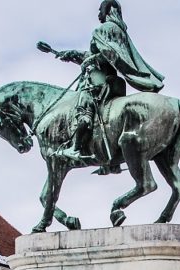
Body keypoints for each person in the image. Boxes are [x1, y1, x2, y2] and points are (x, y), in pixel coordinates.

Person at [45, 0, 165, 164]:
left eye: (100, 9)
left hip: (98, 80)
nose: (98, 13)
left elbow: (109, 56)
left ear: (109, 10)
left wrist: (87, 59)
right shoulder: (118, 31)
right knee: (100, 116)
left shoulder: (104, 29)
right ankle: (109, 163)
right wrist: (74, 54)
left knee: (84, 107)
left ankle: (76, 148)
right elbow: (105, 54)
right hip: (113, 82)